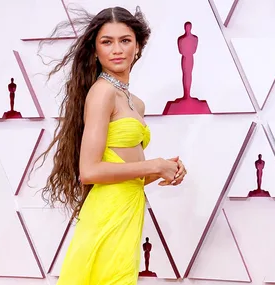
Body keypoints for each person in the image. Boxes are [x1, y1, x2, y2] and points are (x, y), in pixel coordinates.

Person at [37, 6, 187, 284]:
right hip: (107, 214)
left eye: (125, 40)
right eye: (107, 42)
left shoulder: (134, 101)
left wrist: (164, 170)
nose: (117, 49)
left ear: (138, 47)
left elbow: (125, 173)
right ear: (95, 51)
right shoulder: (102, 93)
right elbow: (90, 171)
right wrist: (153, 164)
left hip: (127, 208)